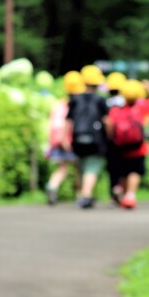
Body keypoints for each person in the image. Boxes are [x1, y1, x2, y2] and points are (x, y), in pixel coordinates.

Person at [106, 79, 149, 210]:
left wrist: (113, 140)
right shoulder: (142, 107)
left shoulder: (116, 110)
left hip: (121, 148)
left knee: (123, 172)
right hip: (139, 147)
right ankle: (130, 195)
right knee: (134, 171)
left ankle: (122, 194)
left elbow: (110, 128)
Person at [67, 70, 109, 209]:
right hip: (96, 139)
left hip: (77, 137)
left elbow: (68, 122)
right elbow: (107, 121)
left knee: (81, 167)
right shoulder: (100, 100)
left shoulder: (75, 99)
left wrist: (66, 139)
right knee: (92, 167)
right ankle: (86, 195)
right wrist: (110, 136)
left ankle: (82, 194)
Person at [45, 71, 84, 206]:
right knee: (79, 169)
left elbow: (51, 124)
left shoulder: (59, 104)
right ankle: (81, 195)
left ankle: (52, 186)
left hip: (57, 140)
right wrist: (65, 139)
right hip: (70, 140)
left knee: (62, 168)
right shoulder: (76, 105)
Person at [104, 71, 128, 202]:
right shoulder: (126, 101)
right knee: (124, 167)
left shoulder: (106, 103)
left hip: (111, 140)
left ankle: (114, 193)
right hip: (126, 140)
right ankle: (123, 191)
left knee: (112, 168)